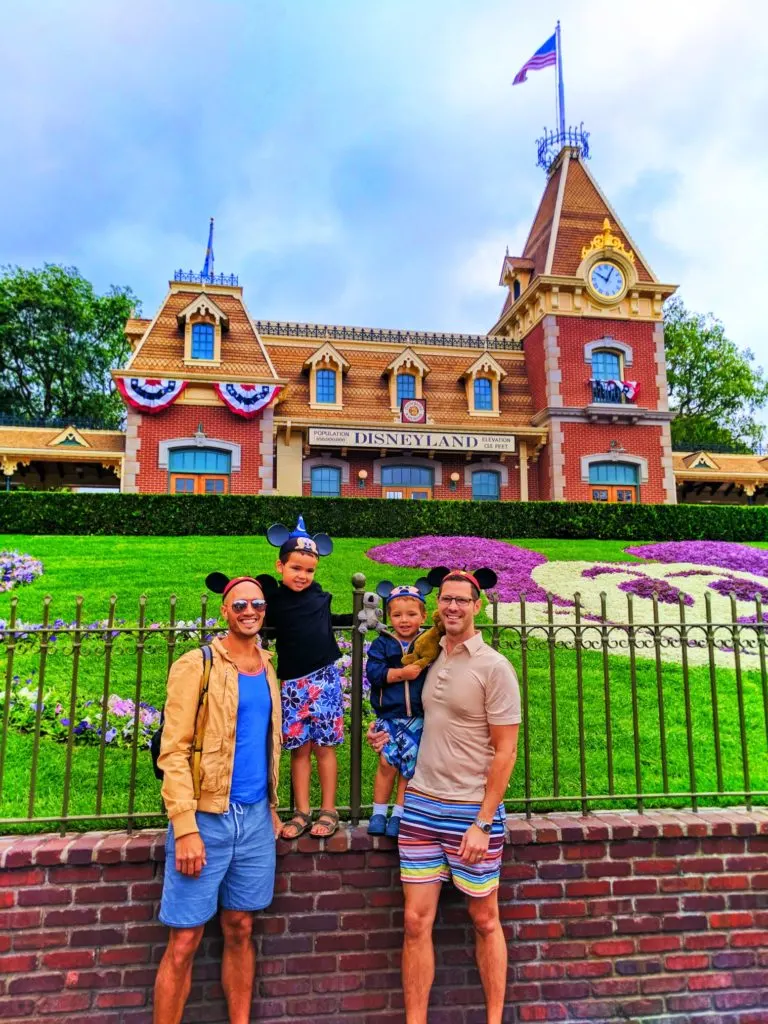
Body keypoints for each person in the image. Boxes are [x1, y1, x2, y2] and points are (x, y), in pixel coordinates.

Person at [369, 566, 520, 1024]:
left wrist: (483, 821)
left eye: (462, 600)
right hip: (419, 805)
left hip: (468, 809)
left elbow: (506, 750)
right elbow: (416, 722)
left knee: (484, 919)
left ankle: (494, 1018)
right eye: (446, 599)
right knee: (415, 923)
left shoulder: (494, 667)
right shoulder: (429, 658)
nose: (452, 606)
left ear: (477, 607)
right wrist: (388, 741)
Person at [153, 574, 282, 1024]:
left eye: (258, 604)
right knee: (185, 940)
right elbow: (174, 748)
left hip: (255, 822)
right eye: (240, 605)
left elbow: (264, 742)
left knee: (241, 928)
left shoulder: (267, 665)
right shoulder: (198, 663)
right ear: (225, 611)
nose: (250, 611)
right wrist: (185, 826)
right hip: (205, 820)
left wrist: (271, 807)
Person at [262, 516, 353, 840]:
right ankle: (302, 810)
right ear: (280, 566)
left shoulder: (320, 597)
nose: (302, 575)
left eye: (309, 570)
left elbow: (328, 622)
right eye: (296, 568)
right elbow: (259, 625)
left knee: (324, 747)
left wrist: (359, 616)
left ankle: (329, 809)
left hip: (325, 679)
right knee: (299, 749)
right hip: (292, 685)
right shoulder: (273, 602)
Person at [365, 580, 431, 838]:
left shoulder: (427, 642)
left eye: (412, 614)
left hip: (418, 715)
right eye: (397, 615)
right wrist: (402, 673)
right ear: (389, 617)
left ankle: (400, 814)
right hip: (389, 714)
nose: (404, 620)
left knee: (409, 767)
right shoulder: (383, 643)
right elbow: (374, 673)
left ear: (423, 616)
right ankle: (379, 812)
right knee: (386, 763)